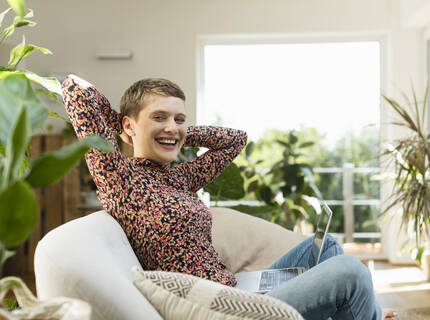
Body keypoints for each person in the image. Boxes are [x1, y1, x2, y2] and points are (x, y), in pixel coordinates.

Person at [62, 75, 396, 319]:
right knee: (350, 272)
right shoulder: (121, 180)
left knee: (327, 248)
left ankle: (369, 314)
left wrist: (174, 133)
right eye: (159, 116)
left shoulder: (176, 177)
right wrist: (138, 128)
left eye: (179, 118)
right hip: (223, 309)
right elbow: (76, 92)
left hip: (236, 289)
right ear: (128, 126)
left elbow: (235, 140)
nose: (173, 125)